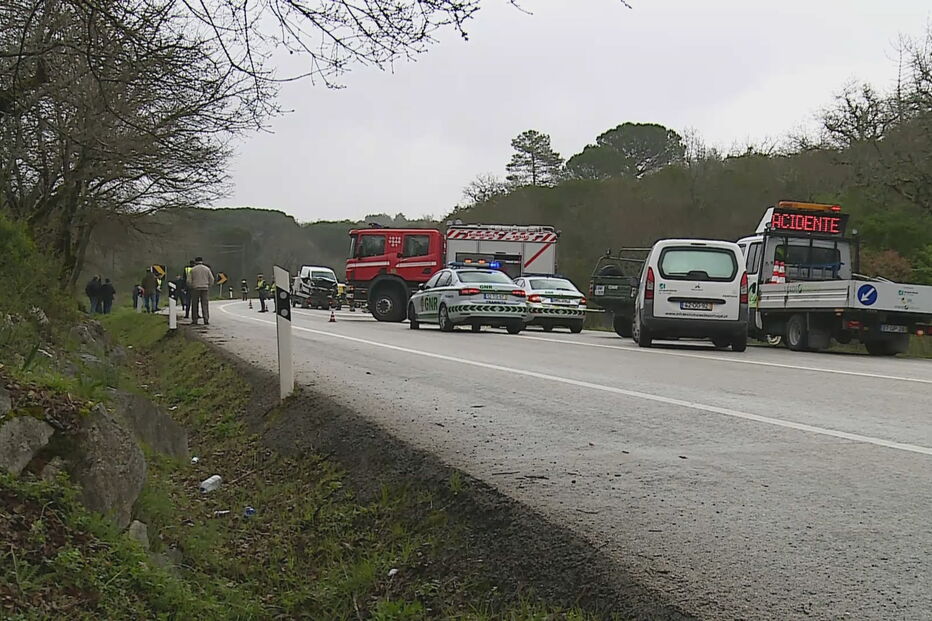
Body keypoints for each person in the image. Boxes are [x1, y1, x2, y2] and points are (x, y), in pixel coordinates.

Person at [189, 257, 215, 325]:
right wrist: (209, 285)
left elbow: (188, 281)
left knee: (195, 304)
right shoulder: (207, 269)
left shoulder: (193, 270)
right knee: (205, 304)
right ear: (202, 261)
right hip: (205, 288)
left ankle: (195, 320)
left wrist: (191, 286)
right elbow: (212, 279)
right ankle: (206, 319)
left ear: (195, 262)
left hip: (195, 288)